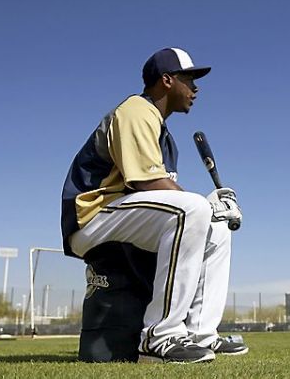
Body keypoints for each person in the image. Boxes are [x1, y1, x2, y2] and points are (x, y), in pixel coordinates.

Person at [61, 48, 247, 363]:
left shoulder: (163, 131)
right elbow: (145, 183)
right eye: (189, 79)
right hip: (92, 217)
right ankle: (160, 337)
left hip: (124, 214)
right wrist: (205, 204)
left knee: (216, 230)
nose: (196, 88)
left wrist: (212, 208)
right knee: (194, 210)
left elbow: (165, 195)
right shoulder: (137, 110)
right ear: (166, 80)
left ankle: (201, 334)